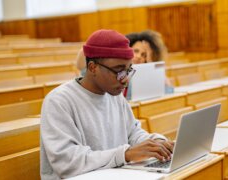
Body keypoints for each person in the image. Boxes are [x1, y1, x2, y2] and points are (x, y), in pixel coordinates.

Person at [40, 29, 174, 179]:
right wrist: (125, 154)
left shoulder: (114, 94)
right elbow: (68, 163)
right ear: (92, 68)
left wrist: (158, 143)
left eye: (128, 70)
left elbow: (133, 133)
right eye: (118, 71)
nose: (125, 80)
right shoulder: (59, 101)